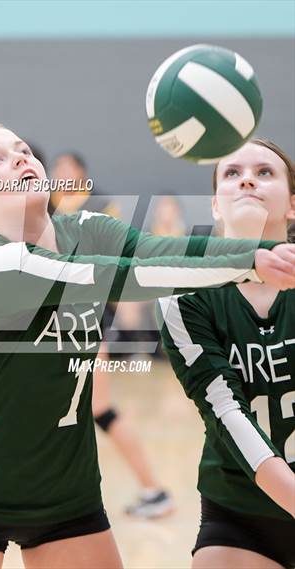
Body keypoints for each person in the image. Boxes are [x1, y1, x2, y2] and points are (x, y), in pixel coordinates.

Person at [0, 121, 295, 569]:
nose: (19, 158)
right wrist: (248, 262)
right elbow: (115, 275)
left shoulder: (88, 227)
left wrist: (253, 256)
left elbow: (156, 252)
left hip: (68, 497)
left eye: (22, 150)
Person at [158, 139, 295, 569]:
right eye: (232, 173)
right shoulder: (185, 292)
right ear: (216, 205)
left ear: (292, 205)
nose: (248, 179)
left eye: (265, 172)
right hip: (242, 514)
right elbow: (226, 411)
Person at [50, 152, 173, 518]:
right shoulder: (52, 207)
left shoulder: (100, 207)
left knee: (99, 410)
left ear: (81, 173)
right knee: (78, 412)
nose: (60, 174)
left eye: (65, 169)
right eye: (56, 169)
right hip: (66, 318)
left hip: (87, 317)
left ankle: (154, 490)